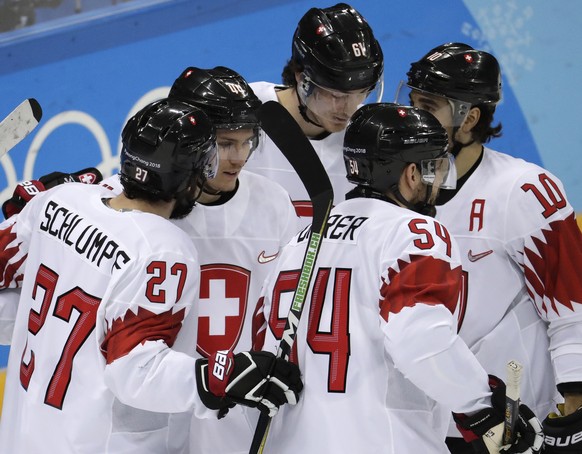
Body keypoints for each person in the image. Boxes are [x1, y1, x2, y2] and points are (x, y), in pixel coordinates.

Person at [0, 98, 302, 453]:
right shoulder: (163, 250)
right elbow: (133, 370)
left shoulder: (57, 202)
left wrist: (18, 215)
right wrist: (220, 375)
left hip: (24, 436)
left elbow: (16, 317)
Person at [252, 103, 543, 453]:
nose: (439, 182)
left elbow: (264, 355)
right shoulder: (415, 233)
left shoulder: (299, 244)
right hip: (388, 441)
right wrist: (482, 406)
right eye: (435, 168)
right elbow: (420, 340)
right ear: (410, 174)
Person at [399, 42, 582, 453]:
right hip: (421, 429)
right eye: (412, 102)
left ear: (470, 119)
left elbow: (574, 307)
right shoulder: (393, 191)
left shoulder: (525, 192)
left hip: (512, 427)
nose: (411, 117)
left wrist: (575, 404)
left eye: (428, 106)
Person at [245, 2, 383, 224]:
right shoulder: (241, 109)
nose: (349, 108)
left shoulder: (367, 134)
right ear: (301, 77)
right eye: (337, 96)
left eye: (362, 93)